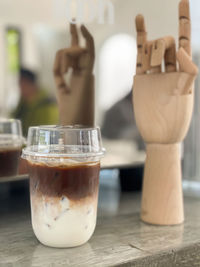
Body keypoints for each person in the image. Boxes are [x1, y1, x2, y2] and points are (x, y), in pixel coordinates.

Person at [12, 68, 59, 136]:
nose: (20, 88)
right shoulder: (23, 101)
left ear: (30, 84)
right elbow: (14, 121)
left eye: (21, 85)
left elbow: (45, 133)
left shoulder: (47, 104)